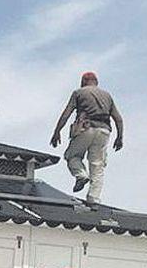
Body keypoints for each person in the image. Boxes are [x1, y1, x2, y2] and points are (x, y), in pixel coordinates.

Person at [50, 71, 124, 205]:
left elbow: (67, 113)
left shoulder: (79, 93)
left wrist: (57, 131)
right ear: (96, 82)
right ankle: (93, 198)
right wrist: (119, 137)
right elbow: (118, 119)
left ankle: (81, 175)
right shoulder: (107, 96)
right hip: (104, 131)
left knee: (72, 156)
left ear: (83, 81)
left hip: (85, 128)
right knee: (97, 165)